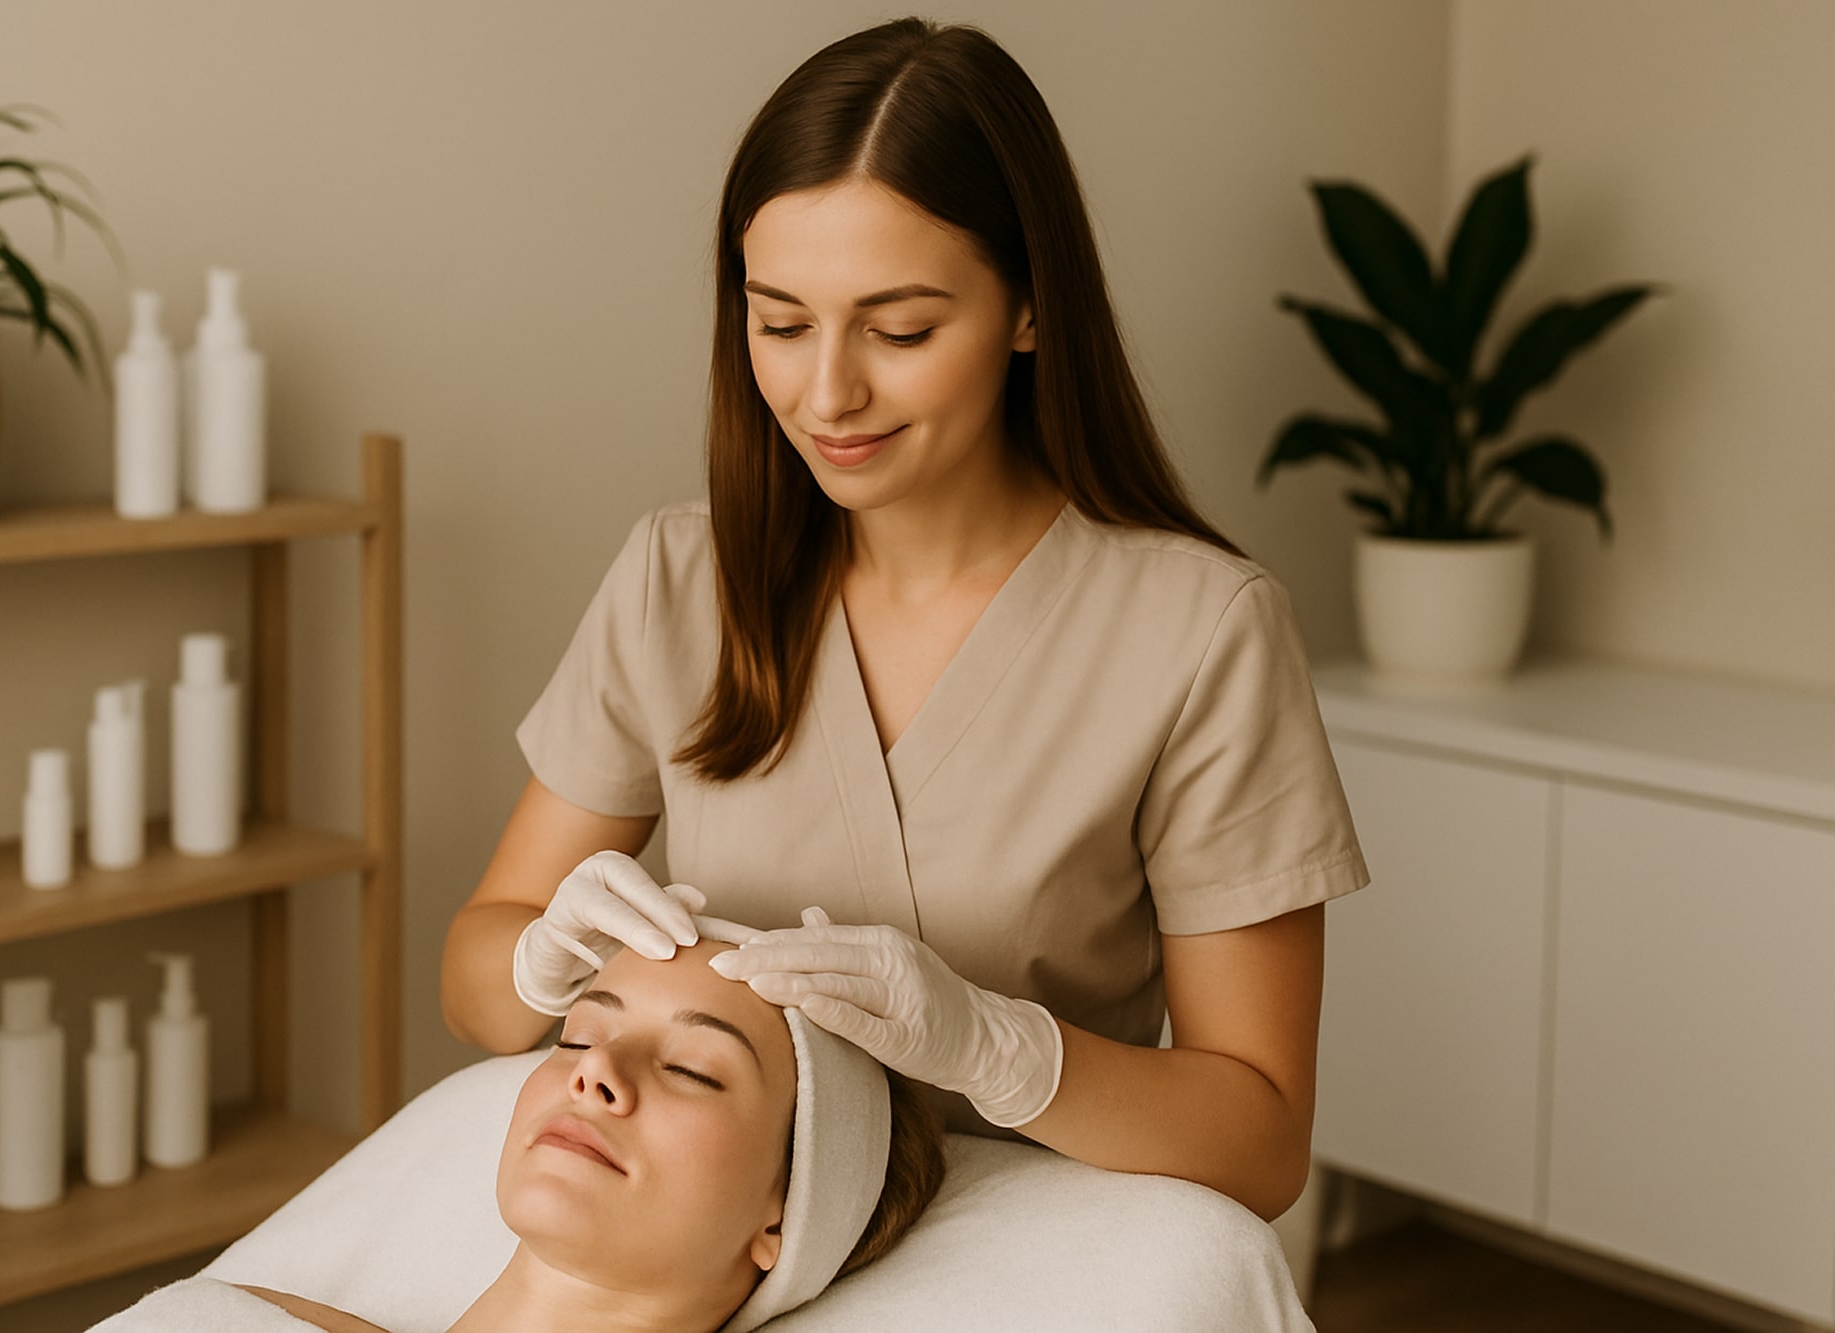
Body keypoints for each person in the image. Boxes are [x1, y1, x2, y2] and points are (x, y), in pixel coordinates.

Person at [442, 16, 1369, 1224]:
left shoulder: (1199, 633)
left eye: (900, 331)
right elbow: (476, 986)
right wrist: (535, 954)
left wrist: (1000, 1050)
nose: (826, 392)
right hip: (729, 1235)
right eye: (779, 322)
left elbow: (1258, 1140)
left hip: (1026, 1251)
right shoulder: (684, 577)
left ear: (1029, 309)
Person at [242, 935, 944, 1332]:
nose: (597, 1068)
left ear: (785, 1214)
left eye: (691, 1069)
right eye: (577, 1038)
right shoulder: (248, 1320)